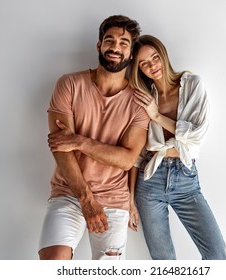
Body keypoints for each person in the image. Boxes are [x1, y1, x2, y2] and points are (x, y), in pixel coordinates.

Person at [38, 15, 150, 260]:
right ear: (99, 46)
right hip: (69, 192)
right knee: (52, 262)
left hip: (114, 198)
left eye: (123, 43)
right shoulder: (68, 84)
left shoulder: (139, 102)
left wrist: (80, 141)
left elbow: (126, 159)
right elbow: (60, 147)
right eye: (109, 40)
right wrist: (86, 199)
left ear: (131, 53)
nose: (115, 48)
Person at [128, 35, 226, 260]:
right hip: (149, 182)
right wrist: (130, 198)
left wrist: (156, 116)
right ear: (138, 69)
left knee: (216, 253)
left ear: (163, 54)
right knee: (163, 261)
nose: (152, 65)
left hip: (185, 179)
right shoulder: (142, 98)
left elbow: (196, 134)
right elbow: (137, 153)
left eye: (155, 57)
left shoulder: (192, 84)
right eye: (144, 63)